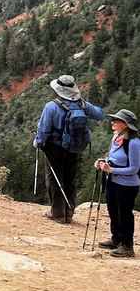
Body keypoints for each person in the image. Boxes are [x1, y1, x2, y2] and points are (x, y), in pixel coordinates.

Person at [34, 74, 105, 223]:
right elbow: (100, 114)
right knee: (70, 179)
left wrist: (38, 142)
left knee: (54, 179)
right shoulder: (82, 105)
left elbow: (44, 129)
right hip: (74, 147)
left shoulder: (52, 106)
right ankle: (69, 212)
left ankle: (58, 213)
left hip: (54, 148)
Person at [94, 109, 138, 258]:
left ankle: (127, 246)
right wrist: (102, 162)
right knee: (113, 211)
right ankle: (116, 239)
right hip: (113, 181)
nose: (112, 122)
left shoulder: (134, 143)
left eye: (116, 120)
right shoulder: (116, 138)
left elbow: (134, 169)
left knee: (124, 214)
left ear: (125, 125)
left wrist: (111, 169)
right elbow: (111, 158)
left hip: (127, 185)